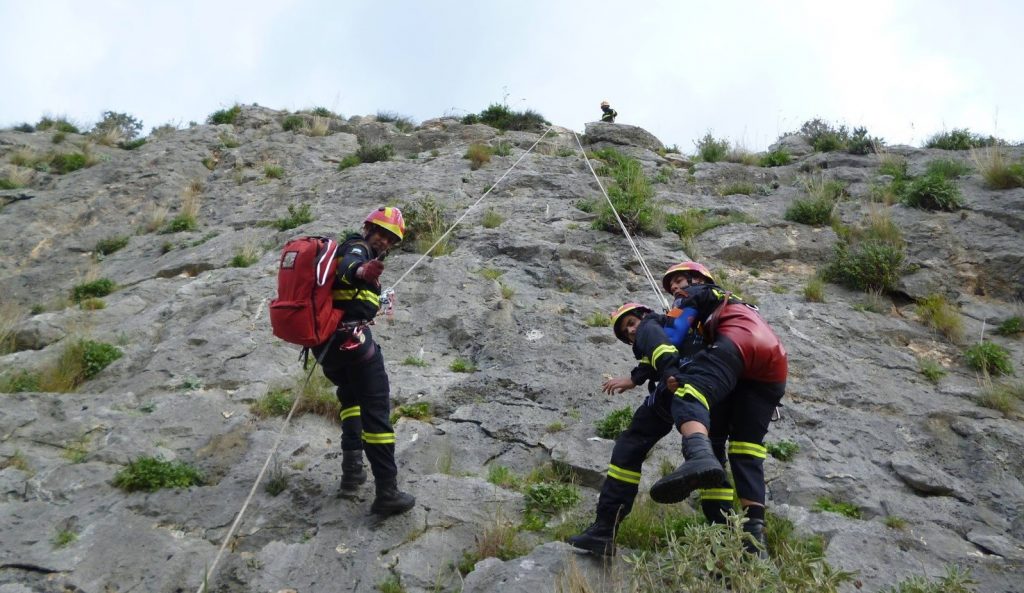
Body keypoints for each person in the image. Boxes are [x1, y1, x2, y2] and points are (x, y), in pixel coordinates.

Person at [650, 262, 788, 556]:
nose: (676, 288)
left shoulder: (699, 293)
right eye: (672, 286)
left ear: (699, 279)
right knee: (745, 450)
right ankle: (752, 540)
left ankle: (698, 457)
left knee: (688, 392)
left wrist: (655, 326)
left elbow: (674, 336)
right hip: (770, 365)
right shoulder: (732, 303)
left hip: (737, 344)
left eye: (679, 281)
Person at [567, 300, 703, 556]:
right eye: (625, 332)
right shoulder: (666, 331)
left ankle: (604, 529)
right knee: (629, 447)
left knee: (631, 447)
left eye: (630, 323)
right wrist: (634, 379)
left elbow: (662, 352)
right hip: (678, 386)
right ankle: (603, 532)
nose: (630, 331)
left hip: (676, 384)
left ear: (643, 315)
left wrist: (670, 374)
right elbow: (656, 356)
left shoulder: (650, 324)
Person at [312, 206, 415, 517]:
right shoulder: (357, 246)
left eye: (390, 238)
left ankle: (352, 473)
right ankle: (387, 491)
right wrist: (360, 272)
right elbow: (349, 266)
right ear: (368, 227)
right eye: (381, 233)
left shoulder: (364, 253)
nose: (384, 241)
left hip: (328, 351)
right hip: (352, 343)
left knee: (352, 402)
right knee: (377, 410)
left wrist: (376, 295)